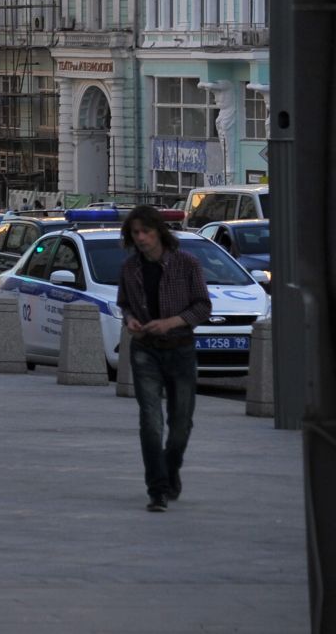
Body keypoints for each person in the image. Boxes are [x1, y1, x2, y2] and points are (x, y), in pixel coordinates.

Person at [117, 205, 211, 511]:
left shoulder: (187, 264)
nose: (141, 238)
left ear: (160, 232)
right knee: (151, 421)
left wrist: (170, 322)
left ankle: (171, 471)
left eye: (146, 231)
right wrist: (130, 320)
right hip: (145, 349)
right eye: (136, 233)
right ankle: (157, 490)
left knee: (181, 423)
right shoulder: (131, 269)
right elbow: (125, 304)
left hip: (181, 348)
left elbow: (202, 307)